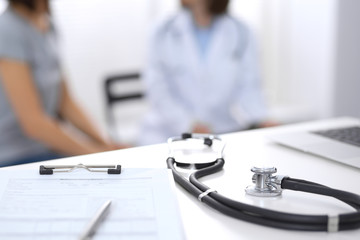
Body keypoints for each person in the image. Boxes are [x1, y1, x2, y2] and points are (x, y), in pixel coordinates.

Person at [0, 0, 128, 167]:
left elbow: (65, 102)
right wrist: (97, 155)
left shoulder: (47, 25)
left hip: (47, 149)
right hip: (15, 156)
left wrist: (106, 143)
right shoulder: (7, 30)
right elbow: (33, 123)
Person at [139, 0, 275, 145]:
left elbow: (250, 86)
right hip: (167, 133)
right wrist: (189, 125)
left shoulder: (242, 32)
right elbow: (157, 89)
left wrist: (262, 119)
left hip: (221, 131)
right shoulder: (161, 31)